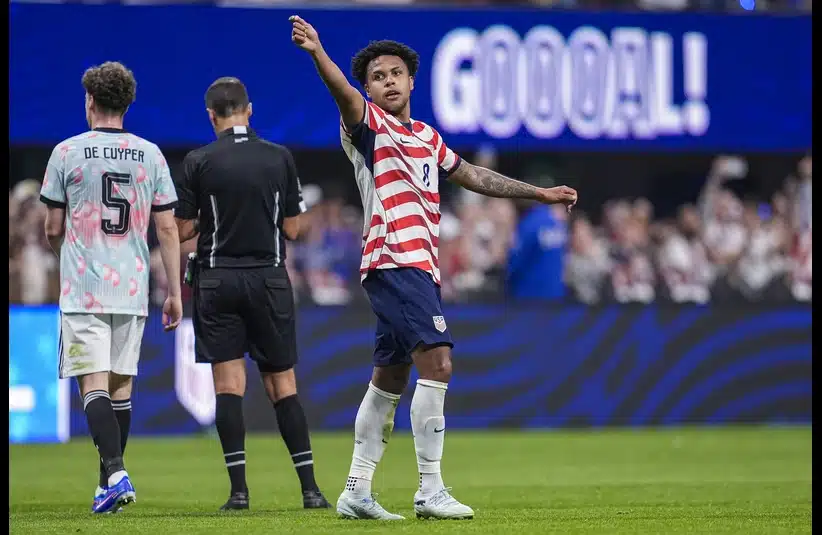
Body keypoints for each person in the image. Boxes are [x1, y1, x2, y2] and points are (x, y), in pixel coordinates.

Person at [290, 16, 579, 520]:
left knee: (389, 378)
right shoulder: (366, 127)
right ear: (368, 89)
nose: (389, 81)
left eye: (397, 73)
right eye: (378, 76)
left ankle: (356, 489)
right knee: (439, 361)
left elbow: (472, 175)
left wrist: (539, 193)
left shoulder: (427, 135)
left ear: (412, 81)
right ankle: (430, 490)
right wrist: (318, 52)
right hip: (392, 259)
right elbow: (342, 93)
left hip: (418, 266)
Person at [173, 77, 331, 512]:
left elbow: (183, 229)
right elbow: (295, 229)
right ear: (249, 109)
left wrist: (217, 212)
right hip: (269, 278)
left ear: (211, 115)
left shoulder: (199, 160)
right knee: (283, 386)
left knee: (228, 386)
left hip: (218, 279)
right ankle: (311, 491)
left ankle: (239, 493)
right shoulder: (279, 157)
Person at [38, 61, 183, 514]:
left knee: (94, 388)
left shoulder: (66, 152)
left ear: (90, 102)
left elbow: (53, 226)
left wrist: (65, 250)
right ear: (127, 103)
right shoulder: (152, 154)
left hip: (85, 285)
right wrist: (175, 291)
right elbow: (168, 230)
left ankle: (116, 475)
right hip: (134, 286)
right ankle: (108, 487)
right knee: (121, 390)